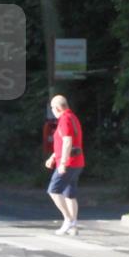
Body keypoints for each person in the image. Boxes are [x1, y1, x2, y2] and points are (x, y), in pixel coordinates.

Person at [44, 95, 85, 235]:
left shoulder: (65, 119)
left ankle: (68, 220)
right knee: (69, 195)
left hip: (68, 163)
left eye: (52, 108)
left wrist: (62, 163)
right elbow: (63, 143)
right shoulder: (72, 117)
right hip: (77, 161)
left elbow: (67, 141)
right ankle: (73, 226)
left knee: (53, 191)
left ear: (57, 108)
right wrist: (53, 157)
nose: (52, 111)